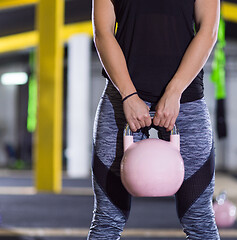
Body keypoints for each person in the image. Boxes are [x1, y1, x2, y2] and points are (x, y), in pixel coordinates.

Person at [88, 0, 220, 239]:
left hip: (185, 102)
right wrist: (128, 94)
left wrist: (175, 92)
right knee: (107, 220)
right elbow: (103, 33)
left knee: (199, 218)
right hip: (122, 100)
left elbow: (208, 30)